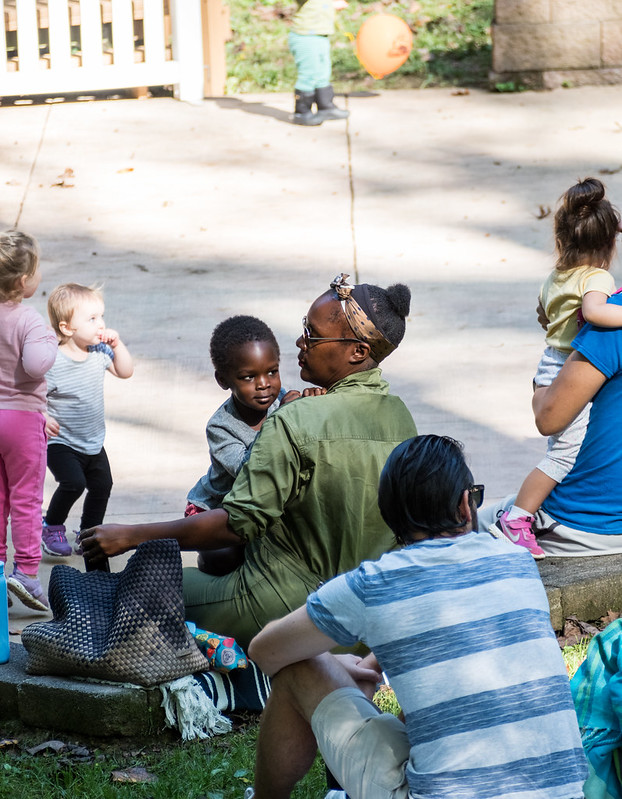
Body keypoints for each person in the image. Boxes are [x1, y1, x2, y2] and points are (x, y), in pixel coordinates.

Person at [80, 274, 417, 649]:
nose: (300, 341)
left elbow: (236, 525)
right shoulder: (401, 418)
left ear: (356, 351)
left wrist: (131, 535)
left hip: (290, 608)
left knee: (132, 585)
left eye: (313, 333)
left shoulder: (293, 418)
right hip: (367, 625)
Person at [246, 435, 588, 799]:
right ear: (464, 504)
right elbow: (450, 641)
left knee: (299, 666)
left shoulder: (374, 584)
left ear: (389, 516)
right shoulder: (516, 560)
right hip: (563, 792)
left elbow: (266, 652)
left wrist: (333, 661)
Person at [491, 177, 622, 560]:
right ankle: (517, 519)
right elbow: (595, 311)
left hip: (552, 361)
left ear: (561, 240)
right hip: (566, 366)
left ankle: (518, 516)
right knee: (562, 454)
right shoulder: (598, 279)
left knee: (559, 452)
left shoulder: (555, 277)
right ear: (609, 245)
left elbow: (544, 314)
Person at [479, 286, 622, 555]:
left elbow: (548, 419)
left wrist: (543, 382)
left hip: (584, 524)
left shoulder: (612, 318)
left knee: (461, 531)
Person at [186, 315, 288, 576]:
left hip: (257, 504)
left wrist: (313, 400)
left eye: (272, 372)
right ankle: (209, 576)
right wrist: (284, 418)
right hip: (219, 508)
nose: (264, 384)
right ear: (223, 380)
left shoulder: (286, 400)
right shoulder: (221, 427)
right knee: (222, 556)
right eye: (248, 377)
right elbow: (250, 469)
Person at [42, 283, 134, 556]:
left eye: (101, 317)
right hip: (61, 441)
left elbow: (126, 371)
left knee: (102, 485)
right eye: (91, 319)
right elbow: (33, 394)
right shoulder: (53, 362)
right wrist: (42, 416)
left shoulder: (100, 353)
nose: (100, 324)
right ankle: (52, 526)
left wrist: (118, 346)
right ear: (67, 328)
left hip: (92, 441)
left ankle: (90, 533)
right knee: (73, 483)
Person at [0, 230, 58, 611]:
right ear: (24, 281)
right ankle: (25, 573)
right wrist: (51, 342)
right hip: (22, 421)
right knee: (25, 499)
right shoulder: (30, 320)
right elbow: (36, 364)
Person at [289, 0, 350, 125]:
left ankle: (325, 107)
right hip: (305, 37)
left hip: (320, 35)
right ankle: (302, 112)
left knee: (323, 73)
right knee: (308, 75)